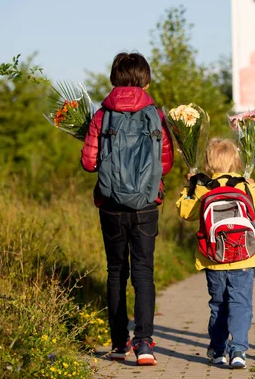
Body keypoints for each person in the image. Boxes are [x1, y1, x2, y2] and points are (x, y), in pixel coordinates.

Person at [81, 52, 174, 365]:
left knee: (116, 272)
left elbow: (88, 162)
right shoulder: (155, 114)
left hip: (111, 204)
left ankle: (119, 342)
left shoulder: (101, 115)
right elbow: (166, 162)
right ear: (145, 79)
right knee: (144, 273)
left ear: (113, 79)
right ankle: (144, 343)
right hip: (146, 204)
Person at [176, 139, 255, 369]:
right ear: (236, 162)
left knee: (218, 304)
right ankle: (238, 350)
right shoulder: (244, 186)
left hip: (214, 258)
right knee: (241, 302)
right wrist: (254, 185)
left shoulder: (203, 187)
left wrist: (188, 187)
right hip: (244, 256)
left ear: (208, 164)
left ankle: (218, 350)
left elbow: (185, 212)